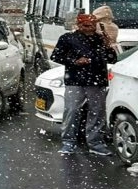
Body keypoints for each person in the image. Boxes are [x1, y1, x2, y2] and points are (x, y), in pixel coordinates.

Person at [50, 13, 117, 156]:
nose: (90, 28)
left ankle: (96, 143)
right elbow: (56, 56)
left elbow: (112, 58)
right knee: (72, 111)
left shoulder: (100, 39)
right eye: (87, 25)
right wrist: (75, 61)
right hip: (75, 79)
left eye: (93, 25)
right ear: (79, 25)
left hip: (97, 79)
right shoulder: (68, 38)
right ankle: (69, 142)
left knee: (97, 112)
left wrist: (108, 46)